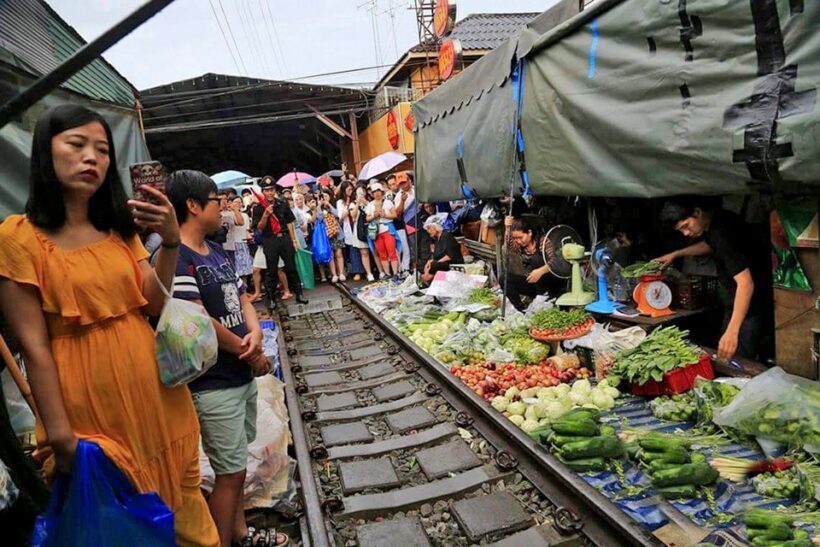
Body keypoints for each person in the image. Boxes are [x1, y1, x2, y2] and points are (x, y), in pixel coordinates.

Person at [0, 105, 218, 546]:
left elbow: (154, 302)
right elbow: (33, 346)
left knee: (186, 520)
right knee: (123, 522)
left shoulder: (119, 228)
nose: (92, 158)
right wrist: (60, 436)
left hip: (158, 398)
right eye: (76, 145)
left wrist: (171, 242)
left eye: (101, 150)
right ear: (45, 151)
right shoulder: (17, 237)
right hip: (87, 409)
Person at [165, 170, 288, 547]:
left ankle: (238, 534)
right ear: (192, 205)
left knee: (232, 470)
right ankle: (223, 540)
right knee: (230, 473)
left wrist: (253, 333)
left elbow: (242, 298)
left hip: (238, 374)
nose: (223, 207)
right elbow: (196, 319)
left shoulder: (214, 251)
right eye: (216, 200)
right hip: (213, 383)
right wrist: (247, 350)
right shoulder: (177, 258)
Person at [655, 197, 773, 361]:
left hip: (750, 307)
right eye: (681, 230)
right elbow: (710, 245)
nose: (686, 233)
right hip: (737, 301)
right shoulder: (718, 221)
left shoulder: (724, 233)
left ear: (697, 212)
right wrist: (675, 254)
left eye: (686, 226)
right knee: (727, 355)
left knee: (738, 361)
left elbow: (746, 283)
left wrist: (732, 331)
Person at [251, 176, 307, 309]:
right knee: (271, 270)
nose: (270, 193)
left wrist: (293, 240)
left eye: (272, 190)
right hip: (270, 239)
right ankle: (271, 298)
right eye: (267, 190)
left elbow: (289, 223)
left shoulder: (282, 204)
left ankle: (299, 293)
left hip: (285, 238)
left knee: (291, 267)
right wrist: (265, 214)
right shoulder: (258, 208)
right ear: (263, 192)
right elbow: (259, 228)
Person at [503, 216, 564, 311]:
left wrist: (541, 271)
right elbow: (509, 244)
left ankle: (544, 295)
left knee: (537, 258)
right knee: (504, 278)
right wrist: (507, 227)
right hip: (534, 284)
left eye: (520, 237)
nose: (518, 241)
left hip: (550, 284)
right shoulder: (520, 246)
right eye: (515, 238)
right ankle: (520, 309)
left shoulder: (543, 241)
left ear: (530, 233)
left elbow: (557, 261)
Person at [365, 182, 400, 279]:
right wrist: (374, 216)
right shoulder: (370, 205)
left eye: (378, 191)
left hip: (387, 229)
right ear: (372, 194)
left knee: (391, 251)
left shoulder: (388, 202)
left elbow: (395, 215)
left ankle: (395, 273)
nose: (377, 193)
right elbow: (367, 218)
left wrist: (384, 215)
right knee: (382, 253)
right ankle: (387, 274)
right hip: (376, 231)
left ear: (381, 192)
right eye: (374, 192)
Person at [420, 213, 463, 283]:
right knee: (423, 264)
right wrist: (429, 262)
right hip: (443, 263)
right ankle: (428, 276)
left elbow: (449, 256)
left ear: (435, 226)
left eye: (429, 228)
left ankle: (431, 277)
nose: (428, 231)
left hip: (452, 263)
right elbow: (436, 256)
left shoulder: (446, 236)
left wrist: (435, 262)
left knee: (433, 265)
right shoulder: (437, 238)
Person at [318, 188, 346, 283]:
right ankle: (334, 274)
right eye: (323, 196)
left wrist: (329, 205)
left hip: (337, 233)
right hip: (327, 235)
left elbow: (338, 214)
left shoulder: (333, 205)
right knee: (331, 255)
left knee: (339, 253)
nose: (325, 198)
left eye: (326, 196)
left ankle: (341, 273)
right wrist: (320, 206)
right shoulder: (320, 208)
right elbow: (319, 218)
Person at [389, 173, 413, 275]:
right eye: (390, 185)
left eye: (394, 183)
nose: (403, 185)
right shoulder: (397, 196)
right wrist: (402, 201)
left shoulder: (416, 190)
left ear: (409, 180)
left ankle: (407, 267)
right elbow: (397, 213)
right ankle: (403, 268)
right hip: (401, 225)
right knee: (403, 247)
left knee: (410, 247)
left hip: (415, 223)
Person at [231, 197, 254, 282]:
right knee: (237, 268)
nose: (238, 204)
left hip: (243, 242)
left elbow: (246, 229)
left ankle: (245, 288)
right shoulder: (230, 215)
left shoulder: (245, 215)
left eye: (240, 202)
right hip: (233, 243)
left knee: (245, 269)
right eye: (236, 202)